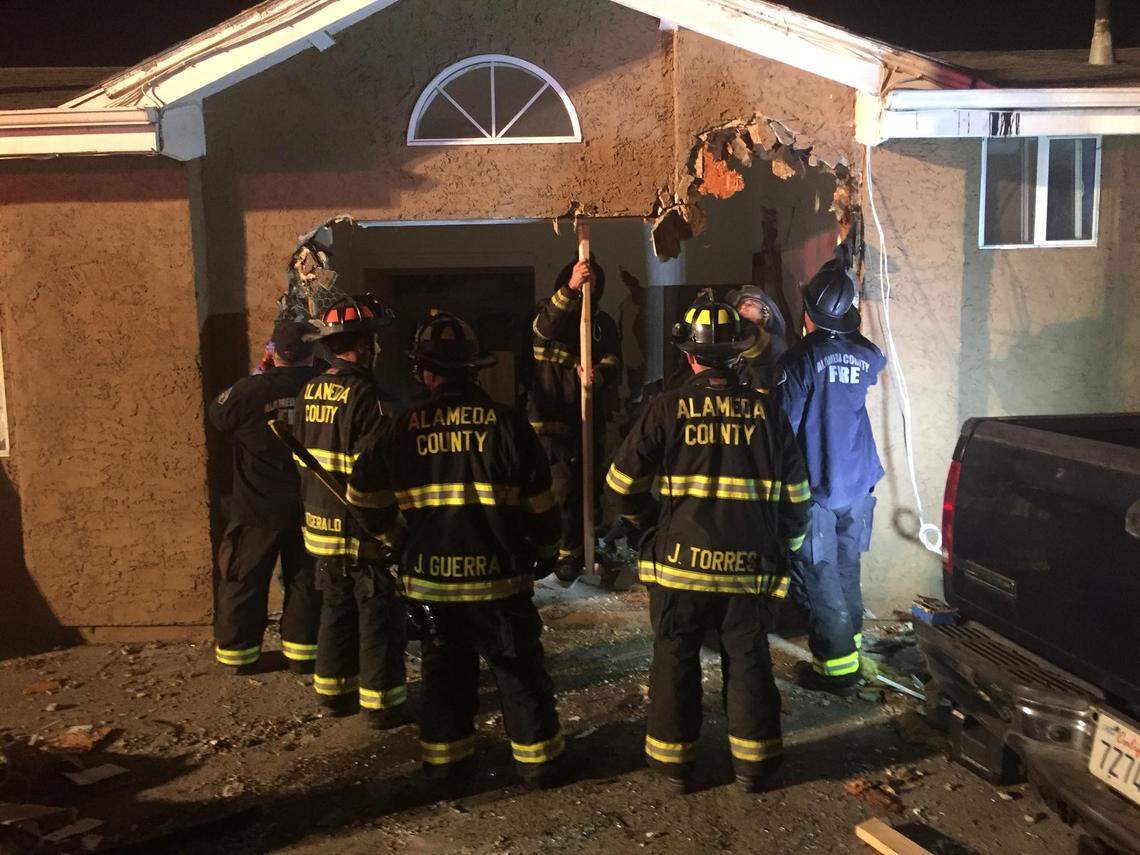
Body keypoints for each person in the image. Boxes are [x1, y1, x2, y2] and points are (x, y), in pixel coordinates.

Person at [349, 312, 564, 790]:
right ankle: (539, 765)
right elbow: (542, 505)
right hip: (500, 582)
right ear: (474, 367)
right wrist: (547, 551)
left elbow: (363, 494)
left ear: (424, 372)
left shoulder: (400, 427)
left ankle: (448, 768)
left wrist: (395, 537)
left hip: (433, 586)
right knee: (519, 674)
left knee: (445, 678)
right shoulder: (508, 424)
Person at [605, 293, 810, 794]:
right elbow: (797, 497)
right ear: (738, 354)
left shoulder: (667, 408)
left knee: (675, 658)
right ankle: (754, 768)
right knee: (749, 659)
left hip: (680, 565)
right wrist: (784, 546)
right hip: (748, 567)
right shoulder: (767, 411)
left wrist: (649, 528)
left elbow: (620, 484)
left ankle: (674, 768)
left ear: (689, 355)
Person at [295, 295, 409, 728]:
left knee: (335, 610)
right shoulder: (369, 397)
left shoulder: (308, 391)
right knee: (378, 616)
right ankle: (381, 706)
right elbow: (372, 476)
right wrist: (391, 530)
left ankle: (333, 695)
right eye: (372, 341)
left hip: (320, 525)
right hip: (359, 528)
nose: (375, 348)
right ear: (361, 345)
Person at [776, 260, 886, 696]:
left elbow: (783, 427)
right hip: (858, 484)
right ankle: (852, 650)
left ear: (807, 313)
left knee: (819, 575)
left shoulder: (799, 359)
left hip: (817, 486)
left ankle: (837, 671)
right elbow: (871, 361)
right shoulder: (866, 354)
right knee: (846, 567)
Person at [209, 319, 323, 674]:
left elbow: (218, 416)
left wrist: (261, 374)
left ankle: (239, 655)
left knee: (245, 579)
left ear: (273, 352)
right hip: (308, 506)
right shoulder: (322, 389)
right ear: (311, 353)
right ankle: (303, 654)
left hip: (256, 508)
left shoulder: (249, 390)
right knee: (306, 581)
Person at [528, 256, 621, 585]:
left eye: (593, 281)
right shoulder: (549, 312)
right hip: (552, 422)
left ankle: (587, 547)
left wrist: (598, 374)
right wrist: (570, 287)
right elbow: (544, 331)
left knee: (589, 486)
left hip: (588, 419)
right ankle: (563, 554)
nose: (588, 286)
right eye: (584, 279)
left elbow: (613, 360)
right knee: (562, 489)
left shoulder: (601, 323)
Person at [725, 285, 788, 390]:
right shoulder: (735, 344)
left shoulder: (775, 344)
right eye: (739, 308)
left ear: (765, 313)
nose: (742, 308)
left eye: (749, 304)